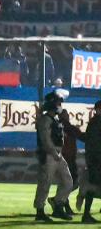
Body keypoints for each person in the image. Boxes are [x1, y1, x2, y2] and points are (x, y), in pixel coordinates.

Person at [34, 91, 73, 221]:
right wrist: (53, 152)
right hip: (49, 154)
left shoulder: (55, 119)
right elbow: (45, 140)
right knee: (45, 183)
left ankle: (58, 203)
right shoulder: (45, 119)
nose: (60, 105)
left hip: (57, 154)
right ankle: (40, 211)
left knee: (68, 182)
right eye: (58, 102)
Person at [78, 100, 101, 223]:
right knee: (93, 185)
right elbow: (94, 143)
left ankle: (86, 213)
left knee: (93, 185)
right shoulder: (97, 122)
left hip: (94, 159)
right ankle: (86, 214)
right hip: (96, 159)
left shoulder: (94, 122)